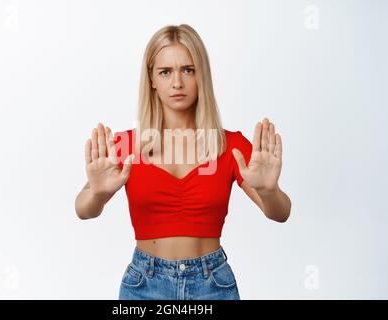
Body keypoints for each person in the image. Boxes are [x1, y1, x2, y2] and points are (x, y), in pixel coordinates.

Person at [75, 24, 291, 300]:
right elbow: (83, 210)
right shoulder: (128, 145)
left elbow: (280, 213)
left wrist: (268, 191)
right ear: (152, 79)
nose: (177, 82)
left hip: (212, 286)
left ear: (202, 75)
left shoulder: (230, 145)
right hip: (144, 285)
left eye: (188, 70)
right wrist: (96, 193)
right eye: (165, 72)